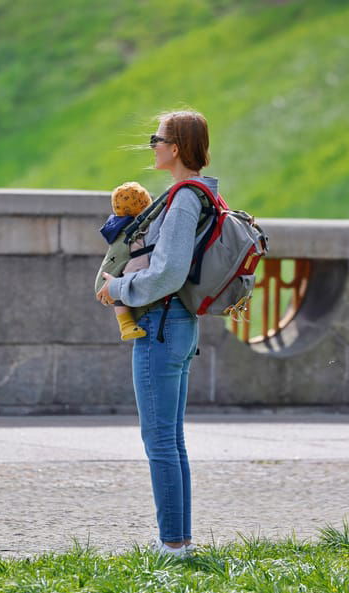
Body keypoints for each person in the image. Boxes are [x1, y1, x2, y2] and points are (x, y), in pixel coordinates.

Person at [96, 109, 218, 556]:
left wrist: (119, 287)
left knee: (160, 438)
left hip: (159, 324)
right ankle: (179, 540)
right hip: (176, 324)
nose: (152, 145)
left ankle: (172, 545)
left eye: (158, 137)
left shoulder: (185, 198)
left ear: (178, 147)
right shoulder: (191, 194)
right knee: (170, 437)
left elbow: (168, 273)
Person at [98, 181, 152, 341]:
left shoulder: (117, 225)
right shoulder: (134, 228)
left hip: (130, 272)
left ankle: (126, 325)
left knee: (119, 290)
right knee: (119, 290)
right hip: (132, 273)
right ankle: (126, 325)